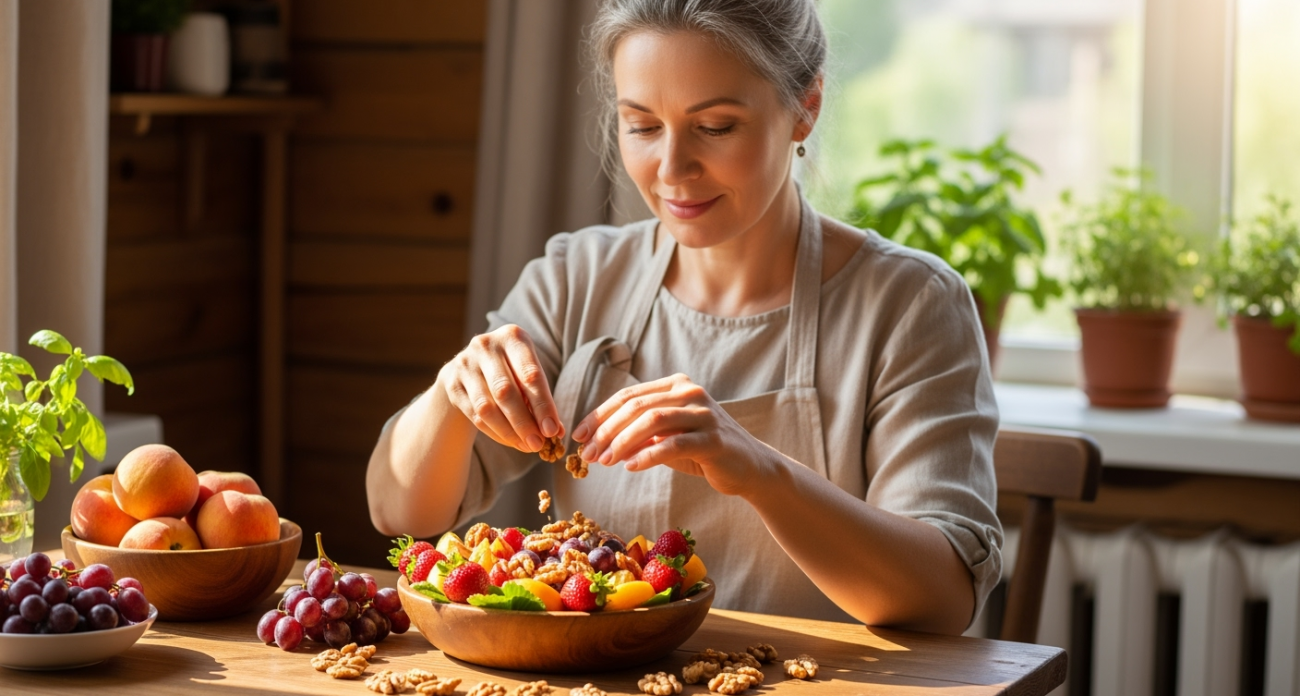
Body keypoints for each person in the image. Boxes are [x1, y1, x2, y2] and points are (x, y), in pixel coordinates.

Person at [366, 0, 1000, 634]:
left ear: (804, 108)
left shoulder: (912, 303)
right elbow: (399, 510)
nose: (672, 169)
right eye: (642, 126)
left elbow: (943, 599)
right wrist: (453, 393)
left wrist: (759, 470)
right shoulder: (576, 278)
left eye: (716, 127)